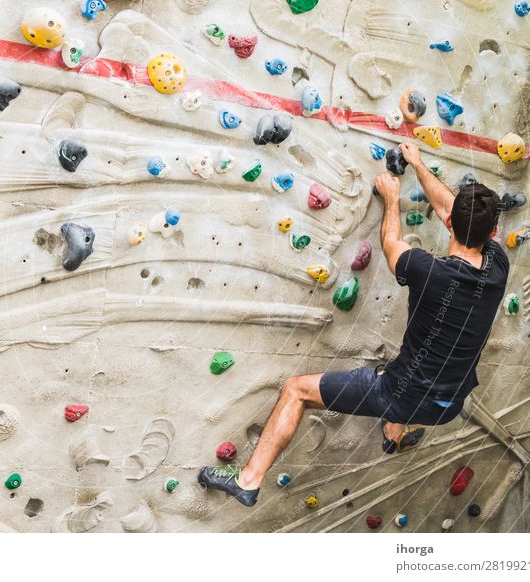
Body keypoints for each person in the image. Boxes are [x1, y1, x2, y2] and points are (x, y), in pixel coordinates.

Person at [198, 142, 509, 507]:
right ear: (492, 234)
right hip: (449, 405)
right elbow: (448, 208)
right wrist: (418, 164)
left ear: (451, 223)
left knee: (296, 390)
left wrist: (391, 198)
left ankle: (249, 480)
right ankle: (396, 434)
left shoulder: (426, 270)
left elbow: (392, 241)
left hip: (400, 393)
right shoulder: (497, 267)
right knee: (415, 377)